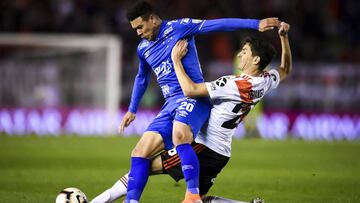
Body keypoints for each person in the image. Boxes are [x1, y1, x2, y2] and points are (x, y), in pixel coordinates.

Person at [92, 21, 291, 203]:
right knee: (199, 201)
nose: (240, 54)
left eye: (245, 52)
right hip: (221, 152)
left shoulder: (232, 84)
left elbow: (190, 90)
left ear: (256, 59)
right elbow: (285, 69)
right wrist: (284, 37)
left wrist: (176, 61)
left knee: (142, 163)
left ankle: (100, 201)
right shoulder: (265, 81)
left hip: (203, 148)